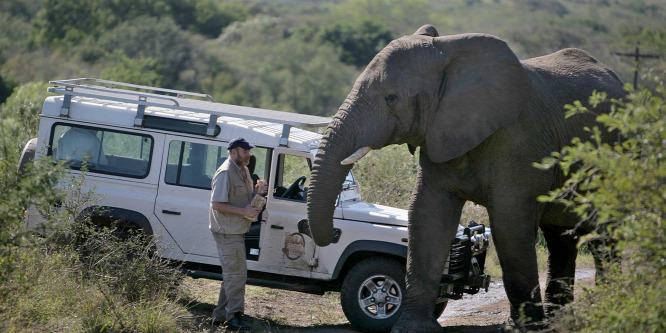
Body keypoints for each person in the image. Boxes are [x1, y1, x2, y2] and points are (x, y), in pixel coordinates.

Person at [209, 138, 267, 330]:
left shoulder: (243, 170)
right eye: (245, 151)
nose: (248, 154)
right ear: (233, 152)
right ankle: (233, 318)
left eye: (249, 151)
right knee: (237, 275)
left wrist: (257, 192)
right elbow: (217, 205)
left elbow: (243, 199)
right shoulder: (225, 172)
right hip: (227, 231)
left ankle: (220, 316)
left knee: (232, 275)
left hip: (237, 229)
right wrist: (244, 212)